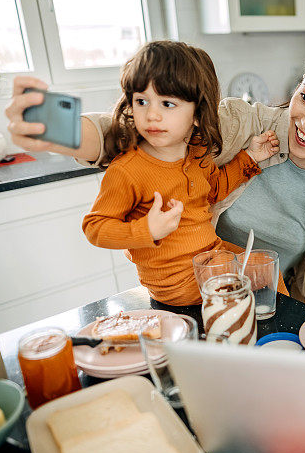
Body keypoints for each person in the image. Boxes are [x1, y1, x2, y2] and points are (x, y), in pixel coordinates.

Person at [5, 42, 305, 310]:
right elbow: (126, 132)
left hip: (267, 307)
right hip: (187, 296)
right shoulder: (242, 123)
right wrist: (52, 125)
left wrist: (291, 314)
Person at [81, 41, 279, 307]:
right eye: (142, 101)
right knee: (254, 292)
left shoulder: (196, 153)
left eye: (167, 104)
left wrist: (251, 158)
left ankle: (274, 342)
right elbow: (95, 228)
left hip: (210, 256)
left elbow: (214, 190)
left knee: (267, 269)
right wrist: (146, 229)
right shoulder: (127, 170)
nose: (152, 114)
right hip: (177, 283)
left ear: (197, 114)